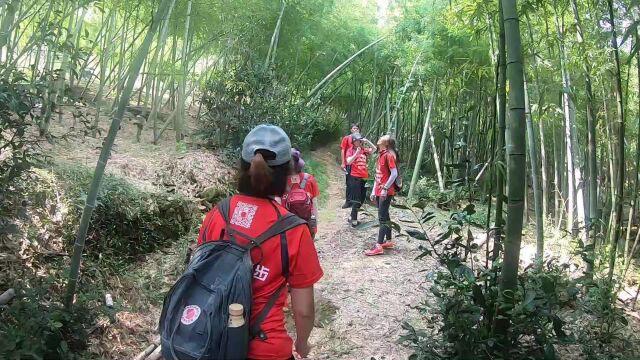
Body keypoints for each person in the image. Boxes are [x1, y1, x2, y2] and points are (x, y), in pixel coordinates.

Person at [196, 124, 323, 360]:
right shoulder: (294, 230)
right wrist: (302, 343)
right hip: (266, 348)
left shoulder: (218, 214)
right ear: (287, 172)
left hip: (209, 339)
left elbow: (198, 273)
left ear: (242, 168)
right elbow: (303, 311)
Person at [366, 134, 400, 256]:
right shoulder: (380, 155)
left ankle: (378, 245)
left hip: (386, 192)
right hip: (380, 191)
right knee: (385, 215)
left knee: (382, 218)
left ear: (386, 143)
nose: (380, 137)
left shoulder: (388, 156)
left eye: (383, 137)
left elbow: (394, 174)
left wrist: (385, 188)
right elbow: (378, 175)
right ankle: (389, 241)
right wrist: (374, 191)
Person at [284, 148, 320, 238]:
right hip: (308, 223)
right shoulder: (309, 178)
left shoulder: (280, 182)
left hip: (288, 225)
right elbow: (314, 203)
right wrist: (315, 223)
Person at [345, 133, 375, 227]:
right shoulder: (350, 150)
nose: (359, 142)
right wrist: (356, 153)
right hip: (355, 177)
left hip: (364, 177)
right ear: (353, 141)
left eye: (360, 140)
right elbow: (349, 161)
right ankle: (354, 220)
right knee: (356, 199)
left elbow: (374, 149)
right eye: (358, 140)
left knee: (362, 199)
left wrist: (368, 142)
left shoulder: (364, 150)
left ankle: (351, 216)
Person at [340, 123, 360, 209]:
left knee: (357, 184)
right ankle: (348, 201)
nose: (355, 130)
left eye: (357, 129)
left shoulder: (360, 139)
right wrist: (343, 162)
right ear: (351, 130)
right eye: (354, 128)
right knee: (349, 183)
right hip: (349, 163)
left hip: (359, 164)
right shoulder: (346, 138)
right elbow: (343, 150)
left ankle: (356, 201)